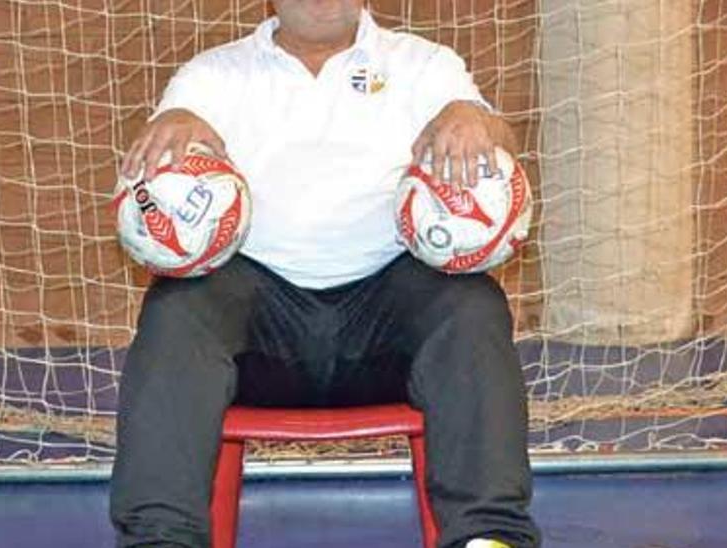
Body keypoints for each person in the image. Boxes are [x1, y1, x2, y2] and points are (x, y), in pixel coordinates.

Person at [110, 1, 541, 547]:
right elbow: (158, 172)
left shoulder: (425, 64)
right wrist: (171, 121)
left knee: (471, 304)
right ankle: (159, 539)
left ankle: (489, 536)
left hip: (390, 325)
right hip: (257, 331)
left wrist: (477, 119)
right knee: (176, 308)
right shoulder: (213, 75)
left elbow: (496, 139)